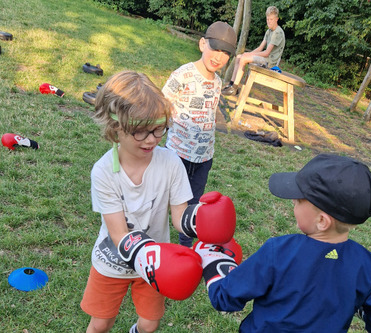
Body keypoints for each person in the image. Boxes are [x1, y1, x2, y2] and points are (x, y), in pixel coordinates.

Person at [81, 71, 236, 333]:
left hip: (157, 265)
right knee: (100, 323)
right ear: (115, 126)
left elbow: (179, 216)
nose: (152, 139)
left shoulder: (171, 162)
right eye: (141, 132)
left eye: (158, 129)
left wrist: (202, 220)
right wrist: (153, 257)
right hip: (113, 262)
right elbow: (119, 234)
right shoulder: (104, 171)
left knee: (150, 324)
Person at [194, 154, 371, 332]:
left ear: (322, 221)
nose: (293, 201)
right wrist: (355, 300)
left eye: (299, 199)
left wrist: (212, 259)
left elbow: (225, 299)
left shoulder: (278, 252)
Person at [162, 21, 237, 247]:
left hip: (204, 158)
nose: (219, 57)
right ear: (202, 44)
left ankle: (184, 250)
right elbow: (162, 105)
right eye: (215, 49)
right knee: (165, 200)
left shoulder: (217, 81)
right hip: (177, 154)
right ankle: (148, 239)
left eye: (226, 53)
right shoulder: (183, 74)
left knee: (193, 205)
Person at [222, 6, 285, 96]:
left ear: (276, 19)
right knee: (239, 57)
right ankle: (231, 84)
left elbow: (266, 53)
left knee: (243, 59)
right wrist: (248, 53)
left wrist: (248, 55)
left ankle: (235, 88)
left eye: (271, 19)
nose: (269, 21)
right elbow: (260, 48)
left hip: (270, 63)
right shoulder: (269, 31)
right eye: (267, 19)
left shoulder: (278, 33)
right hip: (265, 59)